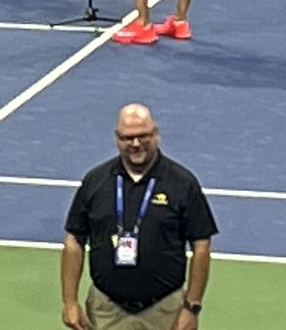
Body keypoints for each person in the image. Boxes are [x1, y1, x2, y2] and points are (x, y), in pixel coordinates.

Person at [60, 104, 216, 328]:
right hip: (106, 310)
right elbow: (74, 240)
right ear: (117, 138)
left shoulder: (182, 183)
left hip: (165, 310)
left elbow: (201, 245)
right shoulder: (95, 182)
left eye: (143, 136)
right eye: (128, 138)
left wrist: (192, 306)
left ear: (156, 134)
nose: (136, 144)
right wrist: (70, 302)